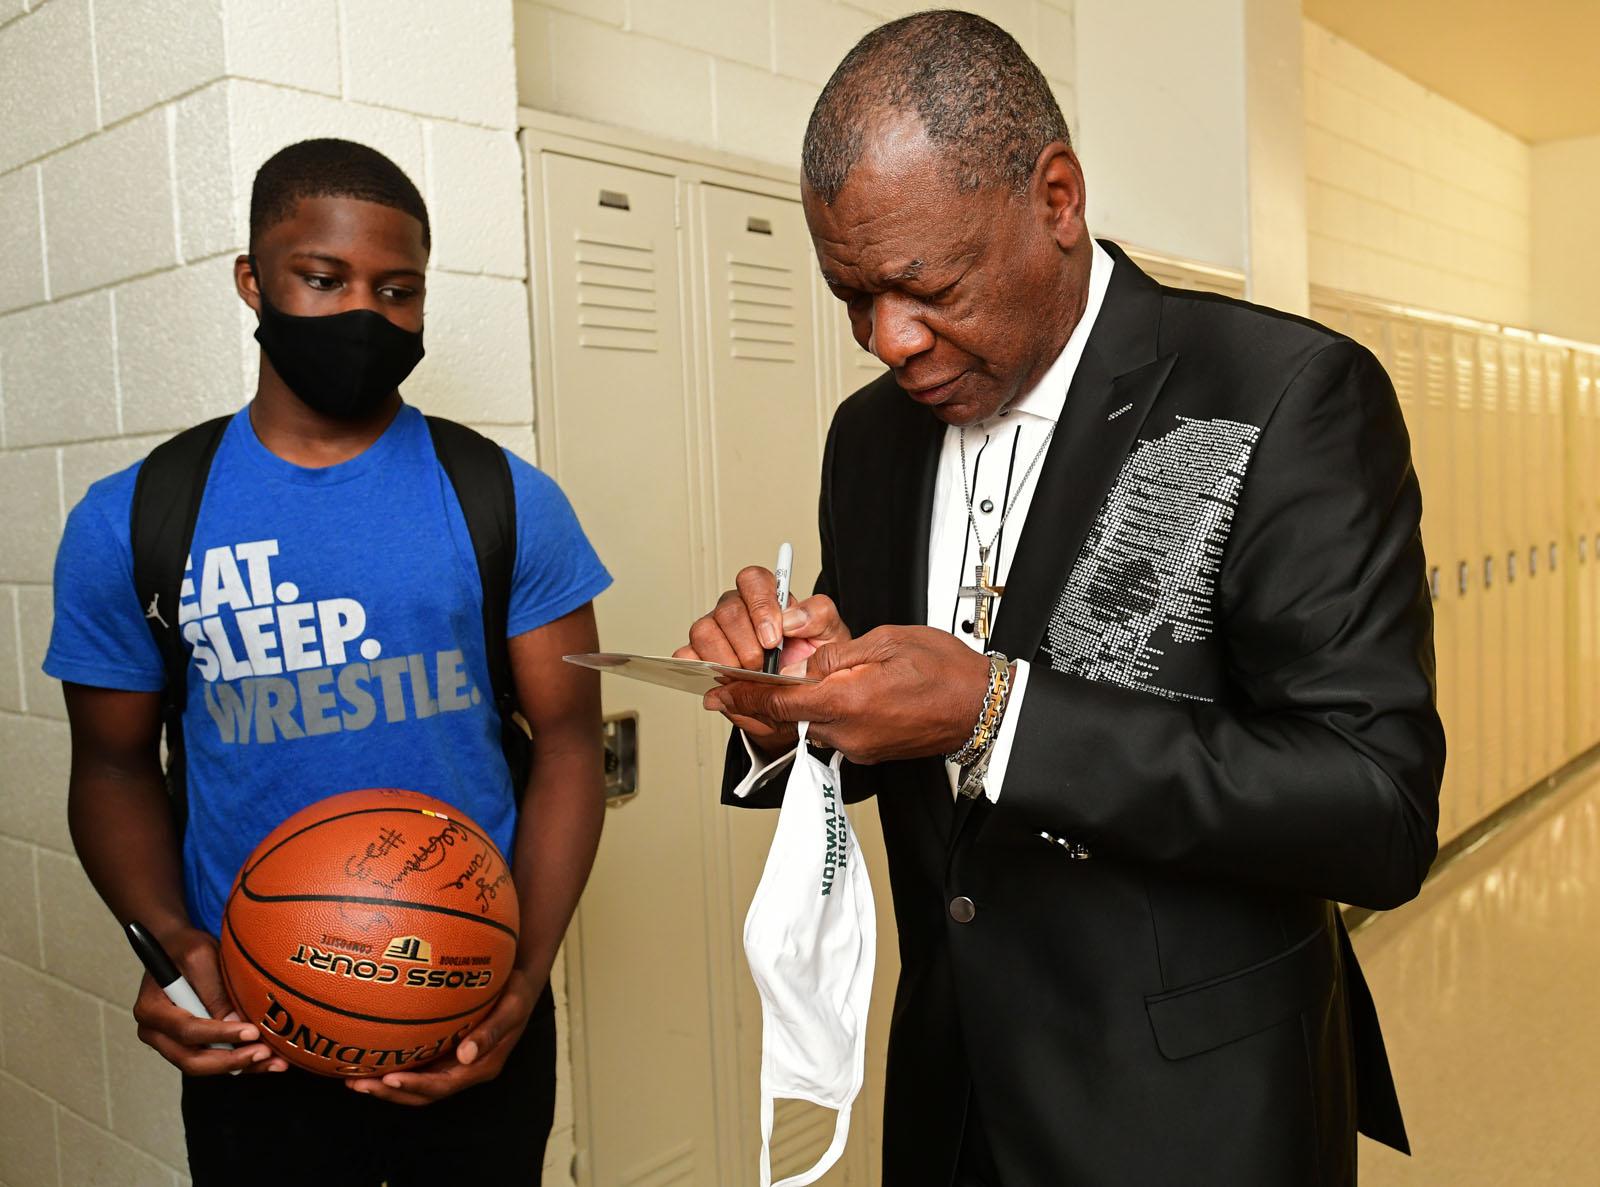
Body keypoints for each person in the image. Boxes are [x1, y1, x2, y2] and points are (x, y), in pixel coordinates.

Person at [676, 12, 1444, 1186]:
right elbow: (891, 742)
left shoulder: (1277, 396)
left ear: (1056, 198)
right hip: (954, 1103)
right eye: (850, 295)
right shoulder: (869, 438)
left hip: (1195, 1115)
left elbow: (1373, 807)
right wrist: (792, 708)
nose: (887, 339)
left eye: (925, 285)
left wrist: (998, 714)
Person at [45, 139, 611, 1186]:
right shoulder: (133, 517)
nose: (364, 313)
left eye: (398, 291)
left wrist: (524, 975)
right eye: (322, 278)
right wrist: (168, 942)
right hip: (254, 1025)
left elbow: (572, 742)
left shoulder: (507, 498)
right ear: (252, 281)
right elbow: (113, 764)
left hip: (468, 1005)